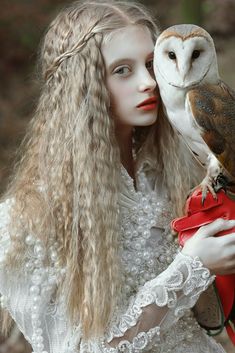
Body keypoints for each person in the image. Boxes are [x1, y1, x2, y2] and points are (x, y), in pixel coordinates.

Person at [0, 1, 235, 352]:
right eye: (123, 70)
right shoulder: (28, 216)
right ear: (84, 85)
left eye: (152, 65)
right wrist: (189, 271)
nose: (148, 82)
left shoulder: (178, 174)